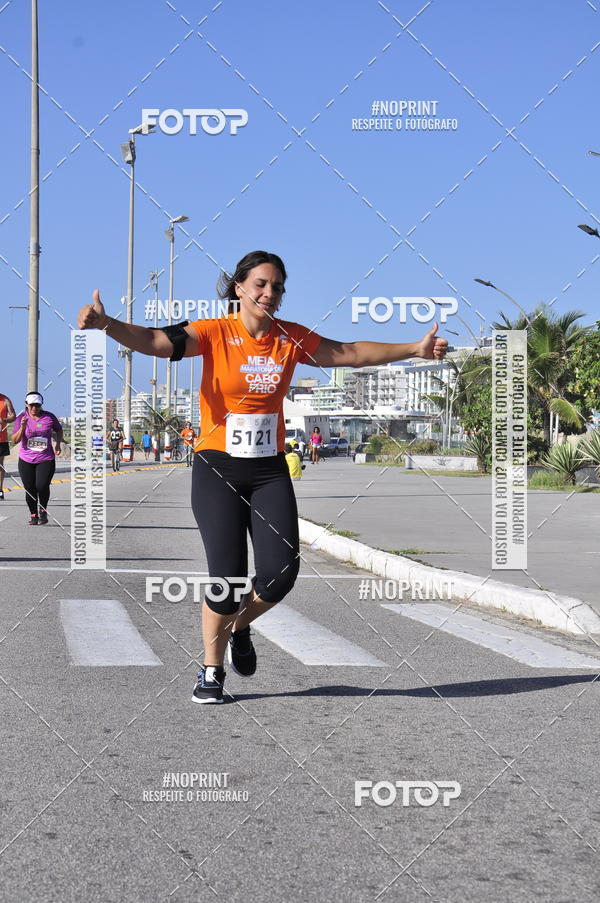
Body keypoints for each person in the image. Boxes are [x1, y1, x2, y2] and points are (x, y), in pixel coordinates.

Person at [77, 249, 448, 704]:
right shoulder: (213, 332)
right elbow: (157, 341)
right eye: (260, 284)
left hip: (268, 470)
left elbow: (350, 353)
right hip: (218, 467)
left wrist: (414, 349)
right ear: (239, 287)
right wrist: (107, 324)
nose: (270, 293)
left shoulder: (290, 338)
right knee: (227, 581)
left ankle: (239, 627)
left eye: (277, 287)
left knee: (280, 573)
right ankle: (211, 669)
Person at [12, 392, 63, 525]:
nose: (34, 408)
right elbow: (15, 440)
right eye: (31, 405)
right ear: (26, 404)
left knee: (41, 485)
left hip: (45, 458)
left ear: (41, 405)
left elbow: (59, 430)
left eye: (37, 405)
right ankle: (33, 514)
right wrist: (22, 427)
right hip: (26, 459)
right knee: (29, 488)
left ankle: (43, 511)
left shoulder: (49, 417)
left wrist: (58, 444)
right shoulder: (21, 418)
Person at [0, 392, 16, 500]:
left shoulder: (5, 400)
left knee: (0, 465)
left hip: (1, 439)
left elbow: (13, 416)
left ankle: (0, 490)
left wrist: (4, 420)